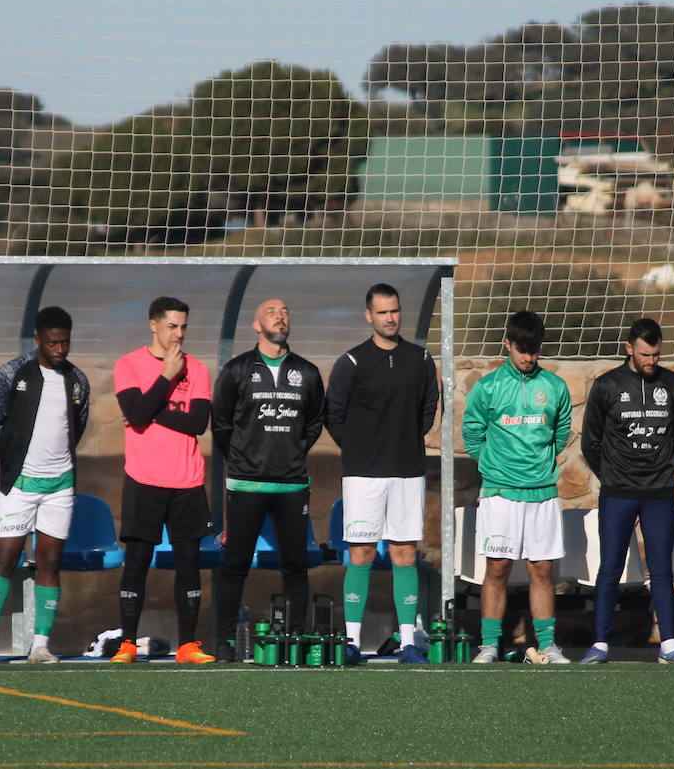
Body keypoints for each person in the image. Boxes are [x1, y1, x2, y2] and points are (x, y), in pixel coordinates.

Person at [326, 283, 440, 664]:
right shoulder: (352, 362)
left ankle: (409, 642)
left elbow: (428, 409)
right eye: (382, 312)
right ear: (368, 316)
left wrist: (403, 442)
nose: (390, 318)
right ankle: (353, 643)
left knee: (404, 553)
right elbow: (335, 415)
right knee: (359, 554)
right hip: (363, 475)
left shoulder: (420, 359)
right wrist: (362, 450)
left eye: (394, 311)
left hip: (407, 472)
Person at [0, 306, 90, 664]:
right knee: (5, 558)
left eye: (65, 342)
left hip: (60, 486)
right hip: (19, 484)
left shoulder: (77, 379)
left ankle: (40, 645)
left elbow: (78, 423)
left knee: (50, 563)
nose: (60, 349)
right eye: (52, 343)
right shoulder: (13, 372)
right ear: (37, 339)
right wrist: (6, 453)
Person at [579, 317, 674, 664]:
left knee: (661, 569)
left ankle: (669, 646)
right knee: (610, 568)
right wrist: (614, 475)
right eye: (646, 355)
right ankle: (600, 644)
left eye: (657, 355)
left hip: (659, 493)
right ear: (629, 349)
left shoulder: (673, 385)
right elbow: (591, 442)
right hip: (617, 493)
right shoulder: (607, 385)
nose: (651, 362)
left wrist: (659, 470)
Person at [211, 298, 325, 661]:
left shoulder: (306, 372)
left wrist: (290, 453)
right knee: (234, 565)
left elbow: (313, 423)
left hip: (291, 485)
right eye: (272, 312)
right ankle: (225, 643)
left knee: (295, 566)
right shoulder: (236, 370)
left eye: (286, 311)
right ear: (256, 325)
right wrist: (245, 459)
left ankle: (293, 640)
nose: (281, 315)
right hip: (247, 485)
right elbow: (222, 424)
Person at [461, 310, 572, 664]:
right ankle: (490, 645)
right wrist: (494, 467)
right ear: (507, 344)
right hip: (499, 492)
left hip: (542, 492)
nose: (528, 357)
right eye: (522, 349)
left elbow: (561, 431)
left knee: (542, 570)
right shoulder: (488, 386)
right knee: (498, 568)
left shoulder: (554, 387)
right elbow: (472, 433)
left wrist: (538, 465)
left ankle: (549, 645)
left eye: (534, 350)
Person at [110, 296, 216, 664]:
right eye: (172, 326)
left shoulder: (198, 369)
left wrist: (148, 416)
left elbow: (196, 423)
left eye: (184, 327)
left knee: (189, 562)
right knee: (137, 560)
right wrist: (166, 377)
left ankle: (187, 645)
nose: (179, 334)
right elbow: (133, 410)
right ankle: (127, 643)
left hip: (187, 481)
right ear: (153, 325)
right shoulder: (128, 364)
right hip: (144, 479)